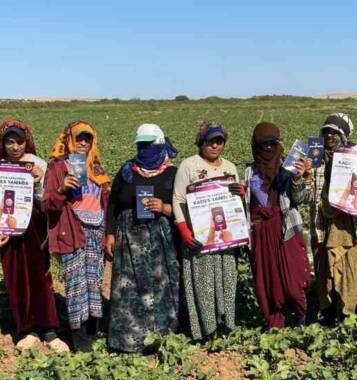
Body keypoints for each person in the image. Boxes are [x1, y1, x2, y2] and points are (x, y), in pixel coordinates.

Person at [0, 120, 68, 353]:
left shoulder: (38, 165)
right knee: (16, 278)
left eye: (20, 142)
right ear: (2, 144)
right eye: (10, 142)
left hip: (35, 226)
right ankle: (27, 329)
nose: (15, 147)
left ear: (27, 142)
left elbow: (48, 201)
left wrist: (36, 182)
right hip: (8, 228)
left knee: (41, 276)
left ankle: (50, 329)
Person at [104, 124, 181, 352]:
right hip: (129, 238)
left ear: (160, 144)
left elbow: (185, 206)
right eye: (141, 145)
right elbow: (113, 204)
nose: (145, 149)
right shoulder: (128, 170)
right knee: (128, 287)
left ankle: (162, 338)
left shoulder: (173, 173)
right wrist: (110, 233)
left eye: (150, 145)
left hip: (160, 238)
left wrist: (165, 208)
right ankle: (129, 340)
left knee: (161, 286)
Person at [43, 121, 111, 352]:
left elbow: (105, 202)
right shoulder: (57, 167)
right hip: (72, 230)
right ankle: (79, 340)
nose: (83, 143)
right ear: (70, 140)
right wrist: (62, 190)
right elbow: (48, 205)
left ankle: (92, 332)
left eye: (88, 139)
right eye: (79, 138)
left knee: (94, 282)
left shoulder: (97, 169)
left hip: (96, 231)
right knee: (76, 285)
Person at [172, 122, 242, 341]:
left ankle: (226, 326)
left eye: (219, 141)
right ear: (201, 142)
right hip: (199, 237)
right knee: (203, 286)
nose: (215, 145)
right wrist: (184, 229)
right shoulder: (189, 166)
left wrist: (241, 193)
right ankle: (205, 330)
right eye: (210, 141)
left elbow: (236, 202)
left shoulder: (229, 168)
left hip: (225, 237)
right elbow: (178, 199)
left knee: (227, 280)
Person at [244, 122, 313, 328]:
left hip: (286, 229)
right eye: (262, 144)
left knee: (293, 283)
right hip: (260, 232)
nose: (267, 148)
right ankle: (275, 324)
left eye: (272, 143)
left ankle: (301, 318)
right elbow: (246, 204)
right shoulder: (249, 172)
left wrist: (299, 179)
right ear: (255, 145)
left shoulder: (289, 166)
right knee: (267, 283)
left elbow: (301, 199)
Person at [309, 113, 357, 324]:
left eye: (335, 132)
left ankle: (346, 314)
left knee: (348, 270)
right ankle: (329, 313)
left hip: (349, 226)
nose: (330, 136)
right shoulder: (313, 159)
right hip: (320, 224)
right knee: (324, 271)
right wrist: (302, 175)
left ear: (344, 136)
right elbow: (304, 193)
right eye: (326, 132)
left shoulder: (356, 160)